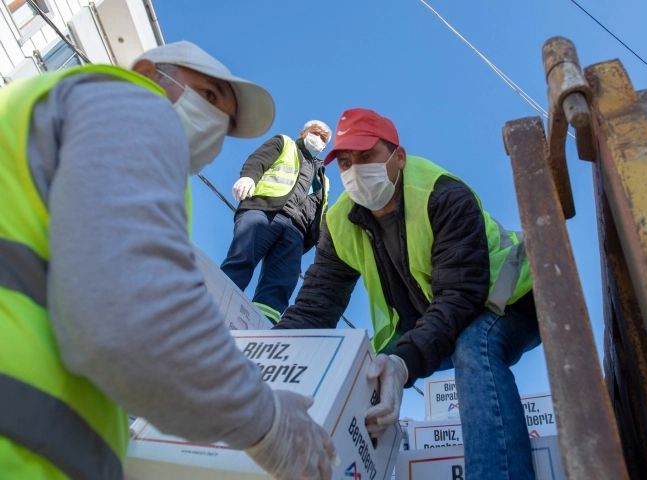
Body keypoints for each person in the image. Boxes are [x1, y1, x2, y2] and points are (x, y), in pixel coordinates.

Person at [0, 41, 336, 480]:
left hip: (43, 445)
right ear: (146, 72)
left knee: (273, 292)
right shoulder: (125, 103)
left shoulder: (99, 137)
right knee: (238, 266)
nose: (216, 122)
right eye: (210, 96)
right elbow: (131, 310)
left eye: (227, 122)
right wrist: (265, 421)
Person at [274, 108, 542, 479]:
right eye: (346, 163)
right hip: (440, 318)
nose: (355, 171)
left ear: (399, 156)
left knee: (474, 346)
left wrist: (404, 363)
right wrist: (267, 362)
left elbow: (460, 297)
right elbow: (316, 305)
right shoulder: (338, 224)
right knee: (366, 375)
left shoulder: (442, 194)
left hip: (511, 298)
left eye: (367, 156)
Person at [221, 121, 331, 324]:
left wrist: (324, 246)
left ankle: (260, 326)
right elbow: (259, 159)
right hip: (263, 211)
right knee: (241, 259)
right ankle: (214, 306)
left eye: (324, 138)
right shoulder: (285, 143)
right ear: (303, 132)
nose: (319, 139)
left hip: (296, 232)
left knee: (280, 284)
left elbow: (322, 213)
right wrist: (248, 178)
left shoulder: (323, 178)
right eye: (315, 133)